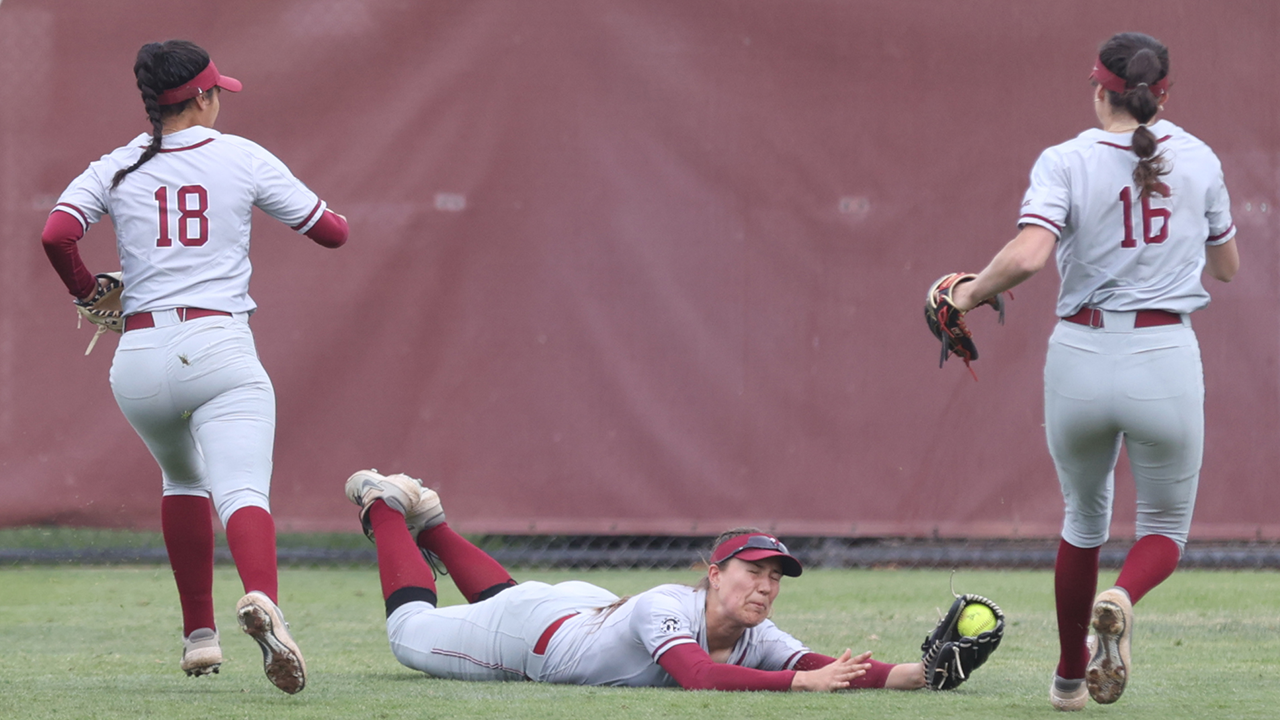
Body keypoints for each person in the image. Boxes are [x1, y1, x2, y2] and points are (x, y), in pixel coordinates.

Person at [40, 40, 350, 694]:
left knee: (182, 477)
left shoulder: (119, 164)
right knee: (240, 490)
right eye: (217, 94)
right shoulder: (240, 156)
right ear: (203, 96)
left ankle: (199, 639)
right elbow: (333, 232)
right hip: (216, 346)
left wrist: (86, 292)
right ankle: (264, 601)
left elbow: (57, 233)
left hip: (139, 360)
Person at [944, 32, 1238, 711]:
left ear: (1099, 89)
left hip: (1081, 351)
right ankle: (1123, 596)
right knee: (1164, 526)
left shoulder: (1067, 159)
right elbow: (1226, 269)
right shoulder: (1199, 159)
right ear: (1162, 95)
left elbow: (1027, 258)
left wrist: (968, 293)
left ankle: (1070, 674)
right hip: (1164, 353)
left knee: (1083, 522)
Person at [342, 469, 930, 691]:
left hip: (585, 611)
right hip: (533, 638)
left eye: (775, 577)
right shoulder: (667, 607)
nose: (766, 587)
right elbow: (697, 676)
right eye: (753, 572)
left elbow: (811, 662)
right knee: (407, 631)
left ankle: (434, 524)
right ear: (714, 575)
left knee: (508, 595)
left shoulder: (756, 633)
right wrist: (799, 688)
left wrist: (917, 674)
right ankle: (384, 504)